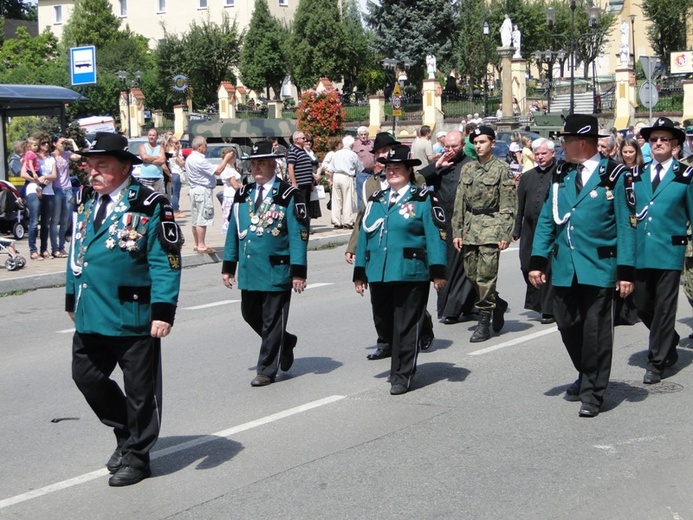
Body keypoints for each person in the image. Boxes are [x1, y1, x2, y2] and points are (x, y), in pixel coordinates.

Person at [66, 132, 182, 486]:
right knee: (86, 377)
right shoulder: (88, 200)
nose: (93, 173)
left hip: (133, 314)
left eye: (101, 165)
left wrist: (163, 311)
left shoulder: (150, 204)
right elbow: (78, 252)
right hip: (92, 312)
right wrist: (72, 298)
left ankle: (138, 458)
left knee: (140, 392)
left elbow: (167, 262)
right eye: (90, 166)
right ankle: (126, 433)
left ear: (124, 167)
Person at [529, 114, 634, 418]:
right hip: (565, 266)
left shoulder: (614, 174)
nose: (562, 146)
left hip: (600, 264)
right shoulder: (561, 174)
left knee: (596, 330)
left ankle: (593, 393)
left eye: (566, 141)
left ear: (584, 143)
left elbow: (627, 227)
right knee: (566, 323)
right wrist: (538, 260)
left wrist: (625, 271)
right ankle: (586, 370)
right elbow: (549, 218)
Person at [353, 144, 447, 395]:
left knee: (405, 324)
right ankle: (403, 354)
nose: (392, 172)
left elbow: (435, 235)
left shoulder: (423, 198)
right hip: (380, 272)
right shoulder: (376, 200)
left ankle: (403, 374)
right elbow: (365, 236)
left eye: (397, 168)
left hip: (410, 270)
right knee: (383, 322)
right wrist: (360, 272)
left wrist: (438, 271)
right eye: (388, 168)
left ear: (409, 171)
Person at [221, 140, 308, 387]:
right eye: (253, 164)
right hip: (250, 268)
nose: (256, 168)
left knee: (272, 321)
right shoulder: (243, 193)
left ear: (273, 164)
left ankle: (266, 370)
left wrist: (298, 272)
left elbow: (298, 236)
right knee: (249, 314)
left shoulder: (288, 194)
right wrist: (228, 266)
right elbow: (232, 232)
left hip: (276, 268)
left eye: (261, 163)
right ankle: (285, 340)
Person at [346, 132, 436, 359]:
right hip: (380, 253)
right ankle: (385, 342)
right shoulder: (371, 183)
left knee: (408, 307)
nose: (383, 157)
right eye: (379, 153)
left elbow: (422, 212)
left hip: (407, 254)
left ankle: (418, 329)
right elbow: (363, 218)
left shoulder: (415, 180)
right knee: (383, 308)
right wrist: (353, 246)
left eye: (386, 152)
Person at [628, 117, 693, 384]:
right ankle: (669, 339)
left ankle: (657, 362)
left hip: (670, 250)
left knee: (665, 308)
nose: (658, 144)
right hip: (642, 251)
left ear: (675, 145)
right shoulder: (636, 175)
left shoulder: (685, 176)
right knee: (641, 305)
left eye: (664, 139)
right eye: (653, 139)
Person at [451, 126, 515, 342]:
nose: (478, 146)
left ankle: (484, 320)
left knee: (486, 276)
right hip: (470, 227)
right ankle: (498, 304)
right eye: (475, 142)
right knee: (471, 275)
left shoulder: (501, 168)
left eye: (482, 142)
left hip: (491, 226)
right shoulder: (467, 169)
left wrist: (505, 232)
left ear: (492, 143)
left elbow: (507, 203)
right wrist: (457, 230)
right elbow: (459, 200)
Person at [419, 130, 478, 324]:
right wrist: (437, 165)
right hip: (442, 222)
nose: (451, 150)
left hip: (464, 223)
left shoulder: (471, 164)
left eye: (455, 147)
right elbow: (419, 179)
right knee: (444, 264)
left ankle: (457, 308)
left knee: (462, 267)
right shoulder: (439, 163)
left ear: (462, 145)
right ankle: (448, 307)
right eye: (447, 147)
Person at [512, 138, 556, 323]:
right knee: (526, 265)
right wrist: (516, 230)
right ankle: (538, 303)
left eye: (543, 153)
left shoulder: (560, 173)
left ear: (552, 154)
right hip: (530, 229)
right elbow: (519, 206)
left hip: (551, 229)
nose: (540, 157)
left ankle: (549, 308)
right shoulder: (528, 176)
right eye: (537, 154)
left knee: (547, 267)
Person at [185, 136, 232, 254]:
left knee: (196, 218)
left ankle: (197, 243)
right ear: (199, 147)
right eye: (205, 145)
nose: (206, 147)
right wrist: (226, 159)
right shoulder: (199, 159)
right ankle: (201, 245)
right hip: (202, 190)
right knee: (203, 218)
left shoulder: (190, 157)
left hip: (195, 189)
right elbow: (217, 171)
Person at [51, 134, 81, 257]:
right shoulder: (51, 156)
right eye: (61, 143)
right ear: (54, 144)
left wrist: (72, 141)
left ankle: (62, 247)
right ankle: (54, 248)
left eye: (64, 143)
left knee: (66, 220)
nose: (63, 145)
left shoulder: (67, 154)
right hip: (56, 189)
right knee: (55, 220)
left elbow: (78, 157)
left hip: (67, 189)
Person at [328, 135, 362, 230]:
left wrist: (330, 180)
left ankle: (336, 221)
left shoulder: (336, 154)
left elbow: (330, 168)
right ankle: (347, 221)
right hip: (347, 176)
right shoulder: (352, 154)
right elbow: (359, 168)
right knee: (348, 199)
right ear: (352, 145)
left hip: (336, 176)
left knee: (336, 199)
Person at [35, 133, 58, 260]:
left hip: (48, 192)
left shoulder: (51, 159)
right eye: (43, 143)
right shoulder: (34, 157)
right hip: (36, 191)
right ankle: (33, 250)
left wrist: (44, 177)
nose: (46, 145)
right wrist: (39, 179)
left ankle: (44, 249)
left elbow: (54, 176)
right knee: (33, 222)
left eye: (47, 143)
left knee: (45, 223)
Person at [219, 147, 242, 235]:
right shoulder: (228, 170)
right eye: (234, 155)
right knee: (231, 215)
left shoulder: (229, 168)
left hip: (230, 195)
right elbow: (235, 185)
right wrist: (244, 187)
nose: (235, 157)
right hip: (231, 195)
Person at [352, 127, 375, 209]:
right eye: (361, 135)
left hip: (372, 173)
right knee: (361, 196)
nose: (363, 136)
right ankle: (360, 216)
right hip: (361, 174)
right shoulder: (354, 145)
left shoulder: (372, 144)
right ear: (358, 135)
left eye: (365, 134)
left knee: (372, 195)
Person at [138, 129, 167, 195]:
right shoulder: (143, 147)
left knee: (159, 198)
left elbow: (162, 160)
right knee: (145, 198)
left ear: (157, 137)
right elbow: (144, 157)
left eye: (153, 135)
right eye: (150, 135)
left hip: (158, 177)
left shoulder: (160, 148)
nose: (151, 137)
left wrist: (148, 160)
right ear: (147, 136)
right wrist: (156, 157)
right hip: (145, 177)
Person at [166, 135, 186, 217]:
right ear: (170, 143)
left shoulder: (177, 152)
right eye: (174, 143)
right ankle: (175, 211)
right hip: (175, 173)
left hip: (177, 173)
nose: (176, 144)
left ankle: (176, 208)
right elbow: (181, 163)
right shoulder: (172, 153)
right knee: (175, 193)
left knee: (176, 193)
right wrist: (181, 160)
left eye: (177, 142)